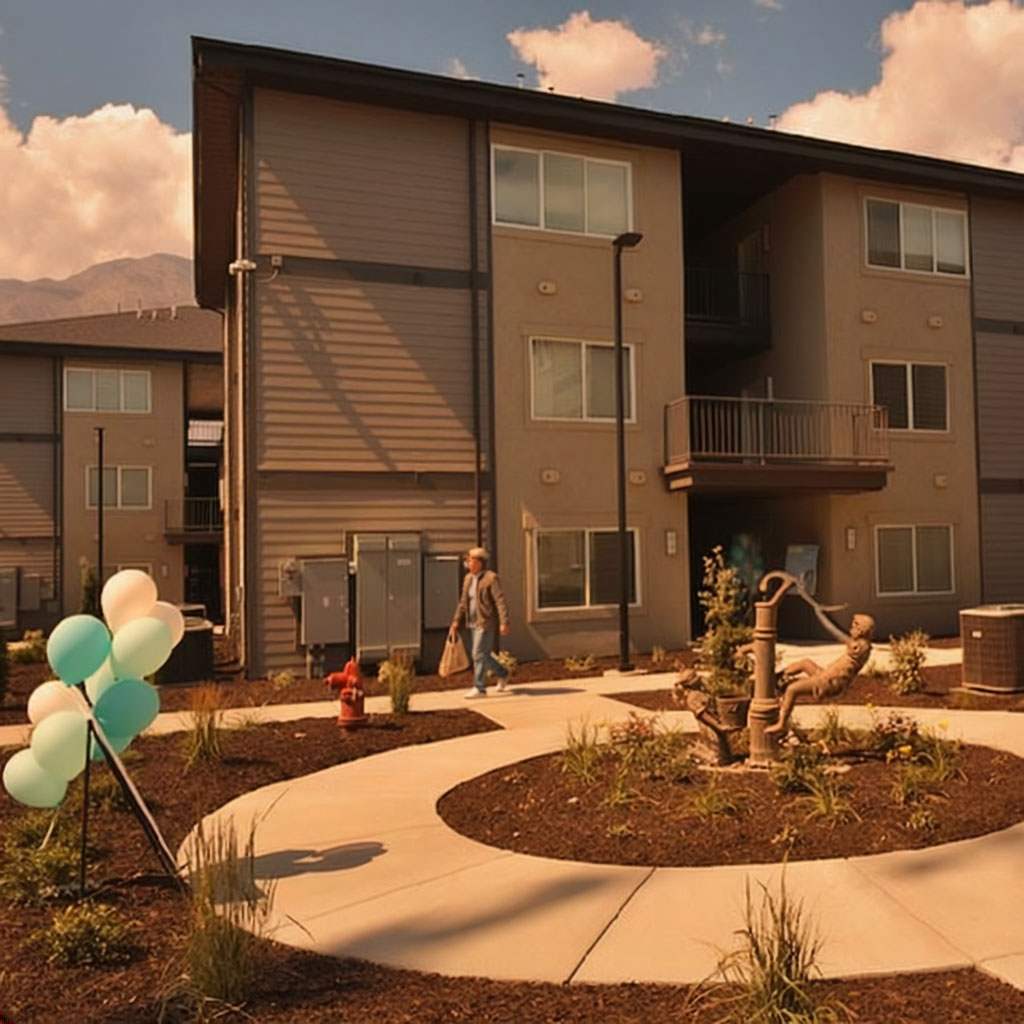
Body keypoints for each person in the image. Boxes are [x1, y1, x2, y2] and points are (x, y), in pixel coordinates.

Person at [765, 613, 875, 735]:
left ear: (861, 631)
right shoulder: (861, 644)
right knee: (805, 663)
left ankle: (781, 724)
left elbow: (845, 640)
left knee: (792, 689)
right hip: (826, 675)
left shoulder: (861, 647)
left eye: (854, 627)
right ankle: (777, 677)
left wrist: (826, 623)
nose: (851, 629)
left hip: (829, 682)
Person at [450, 546, 511, 698]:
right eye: (468, 560)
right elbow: (463, 601)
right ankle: (503, 673)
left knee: (477, 653)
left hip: (485, 621)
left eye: (471, 560)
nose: (468, 563)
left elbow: (500, 601)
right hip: (471, 622)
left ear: (480, 562)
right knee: (482, 655)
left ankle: (479, 687)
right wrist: (456, 620)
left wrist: (504, 622)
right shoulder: (468, 579)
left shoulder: (491, 578)